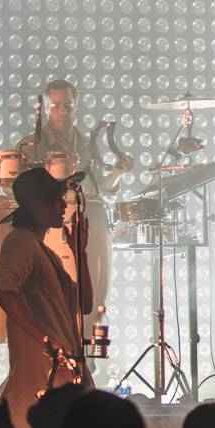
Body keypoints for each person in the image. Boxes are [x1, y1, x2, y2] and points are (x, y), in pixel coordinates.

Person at [0, 167, 92, 428]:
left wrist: (79, 252)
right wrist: (45, 340)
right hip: (42, 378)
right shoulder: (21, 241)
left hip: (62, 375)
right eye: (55, 200)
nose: (63, 206)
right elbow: (3, 289)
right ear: (37, 207)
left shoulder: (45, 252)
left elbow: (84, 304)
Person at [18, 79, 129, 314]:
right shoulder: (30, 147)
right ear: (46, 107)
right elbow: (16, 195)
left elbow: (101, 190)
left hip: (86, 229)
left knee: (88, 305)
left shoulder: (88, 146)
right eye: (56, 106)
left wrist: (118, 173)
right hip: (45, 233)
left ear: (76, 106)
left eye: (68, 106)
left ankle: (87, 330)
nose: (63, 112)